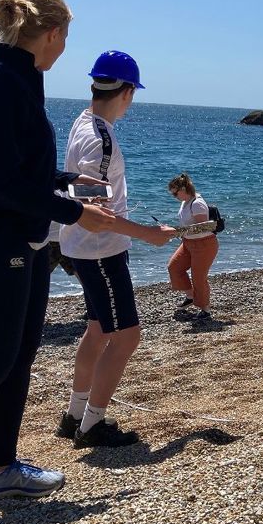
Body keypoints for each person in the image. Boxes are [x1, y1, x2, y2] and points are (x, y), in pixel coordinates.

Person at [0, 0, 116, 524]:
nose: (65, 48)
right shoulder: (0, 84)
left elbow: (16, 165)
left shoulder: (20, 78)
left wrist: (64, 180)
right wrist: (75, 213)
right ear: (54, 34)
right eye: (67, 37)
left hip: (25, 243)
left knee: (17, 359)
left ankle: (2, 469)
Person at [55, 51, 176, 448]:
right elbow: (99, 213)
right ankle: (93, 424)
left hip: (80, 246)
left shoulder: (82, 121)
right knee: (126, 337)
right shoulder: (101, 140)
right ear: (126, 92)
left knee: (96, 330)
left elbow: (83, 195)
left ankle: (74, 416)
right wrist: (149, 233)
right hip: (100, 251)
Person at [167, 173, 220, 320]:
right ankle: (190, 297)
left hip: (204, 244)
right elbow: (189, 227)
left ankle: (205, 309)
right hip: (188, 242)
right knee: (174, 267)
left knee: (198, 278)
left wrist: (177, 232)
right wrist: (178, 232)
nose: (174, 197)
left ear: (184, 189)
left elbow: (202, 228)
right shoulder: (185, 201)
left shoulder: (197, 203)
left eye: (175, 193)